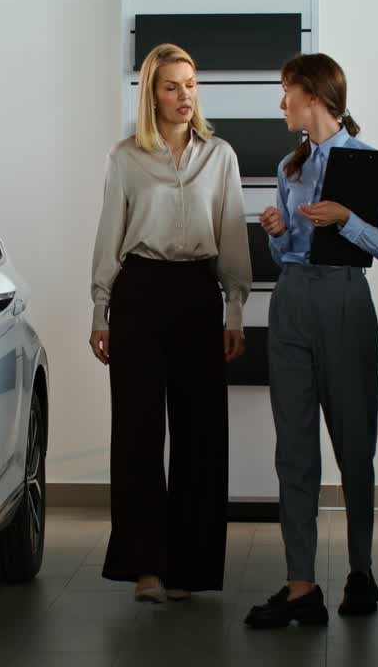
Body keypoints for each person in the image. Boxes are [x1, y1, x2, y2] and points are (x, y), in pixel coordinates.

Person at [244, 53, 378, 628]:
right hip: (292, 302)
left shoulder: (365, 162)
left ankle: (361, 572)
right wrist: (277, 233)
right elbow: (287, 252)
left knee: (355, 447)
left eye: (286, 90)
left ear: (313, 95)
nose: (281, 102)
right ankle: (301, 585)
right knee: (293, 450)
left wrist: (345, 220)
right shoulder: (289, 167)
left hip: (345, 301)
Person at [90, 43, 251, 603]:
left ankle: (190, 567)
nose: (185, 96)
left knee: (200, 433)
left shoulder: (220, 156)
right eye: (171, 87)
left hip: (196, 293)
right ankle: (146, 568)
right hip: (139, 292)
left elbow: (233, 236)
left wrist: (234, 308)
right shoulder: (125, 158)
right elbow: (109, 236)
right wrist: (100, 308)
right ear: (151, 96)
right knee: (137, 433)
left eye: (190, 84)